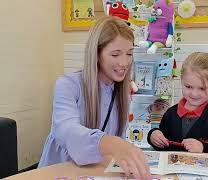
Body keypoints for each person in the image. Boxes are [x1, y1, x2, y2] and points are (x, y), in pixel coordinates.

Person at [38, 16, 150, 180]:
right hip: (58, 172)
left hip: (95, 172)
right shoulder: (67, 85)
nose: (124, 62)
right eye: (115, 54)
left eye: (129, 54)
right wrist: (110, 143)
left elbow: (118, 143)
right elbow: (67, 132)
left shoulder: (123, 92)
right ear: (96, 54)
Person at [147, 52, 208, 154]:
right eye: (188, 86)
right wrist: (152, 136)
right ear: (181, 81)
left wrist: (203, 148)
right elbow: (162, 145)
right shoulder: (170, 113)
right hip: (172, 170)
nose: (194, 94)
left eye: (202, 88)